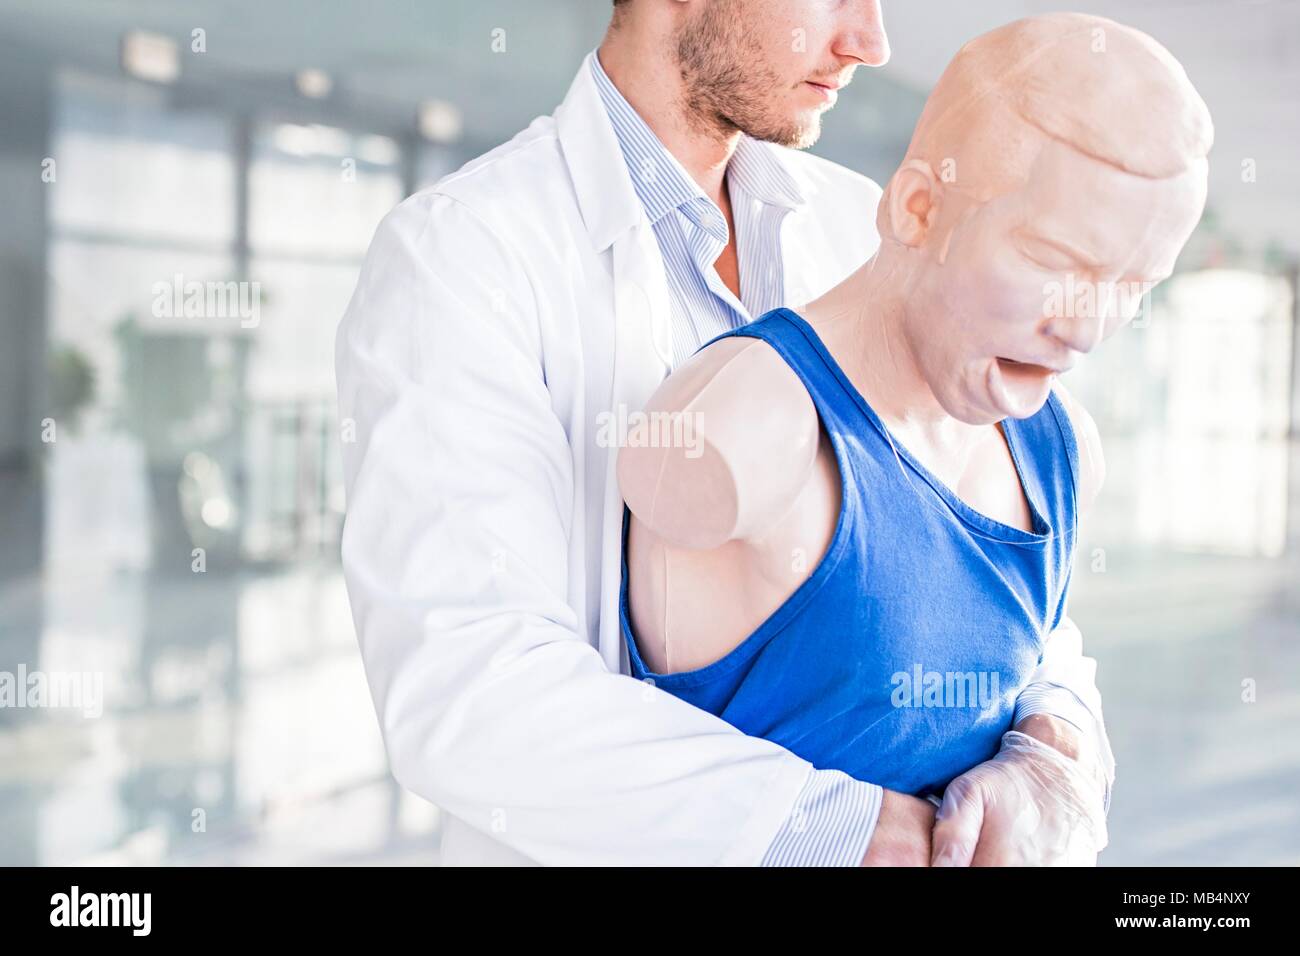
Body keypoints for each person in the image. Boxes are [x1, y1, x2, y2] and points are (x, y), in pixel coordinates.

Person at [335, 0, 1113, 866]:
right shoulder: (462, 258)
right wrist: (854, 837)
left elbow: (992, 575)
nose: (871, 41)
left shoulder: (865, 230)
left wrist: (1052, 748)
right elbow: (472, 693)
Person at [618, 11, 1212, 865]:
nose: (1087, 328)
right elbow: (504, 701)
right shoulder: (735, 434)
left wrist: (1054, 753)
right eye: (1055, 260)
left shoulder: (1059, 445)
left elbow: (1038, 657)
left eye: (1134, 283)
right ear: (920, 208)